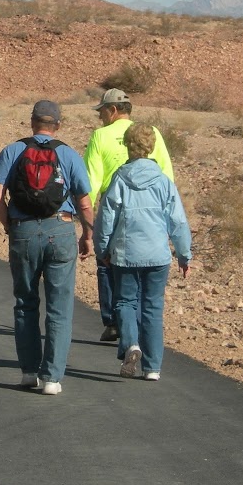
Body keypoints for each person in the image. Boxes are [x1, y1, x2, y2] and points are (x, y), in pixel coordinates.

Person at [0, 100, 95, 395]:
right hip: (60, 230)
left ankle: (28, 371)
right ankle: (52, 378)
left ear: (32, 122)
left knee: (25, 302)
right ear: (58, 125)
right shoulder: (68, 154)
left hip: (23, 233)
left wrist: (10, 225)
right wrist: (88, 235)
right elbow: (84, 203)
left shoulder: (13, 151)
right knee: (59, 307)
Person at [94, 123, 191, 381]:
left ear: (128, 145)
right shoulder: (163, 182)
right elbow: (177, 221)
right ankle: (153, 368)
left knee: (125, 301)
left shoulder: (119, 179)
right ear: (151, 147)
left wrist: (102, 248)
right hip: (158, 255)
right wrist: (184, 253)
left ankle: (130, 345)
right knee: (152, 307)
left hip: (126, 254)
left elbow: (106, 218)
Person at [83, 88, 173, 342]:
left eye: (102, 111)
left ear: (113, 110)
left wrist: (89, 226)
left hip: (115, 207)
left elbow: (91, 181)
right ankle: (141, 327)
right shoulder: (151, 133)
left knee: (107, 263)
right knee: (145, 269)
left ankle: (114, 322)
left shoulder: (100, 136)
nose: (100, 117)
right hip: (151, 211)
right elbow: (167, 175)